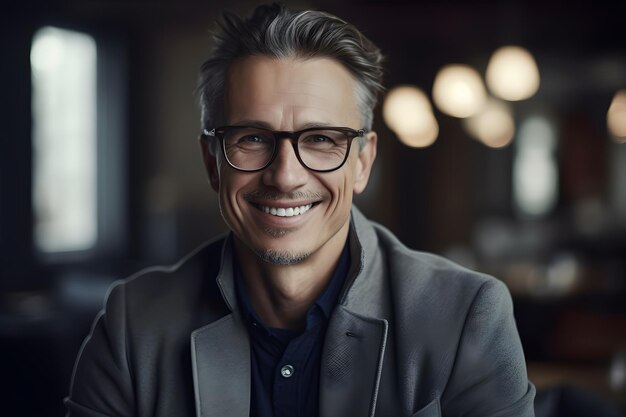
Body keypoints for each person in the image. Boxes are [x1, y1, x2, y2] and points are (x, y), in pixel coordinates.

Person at [65, 3, 535, 417]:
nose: (286, 176)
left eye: (322, 139)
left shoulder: (468, 317)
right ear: (213, 163)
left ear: (363, 162)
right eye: (252, 138)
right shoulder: (133, 327)